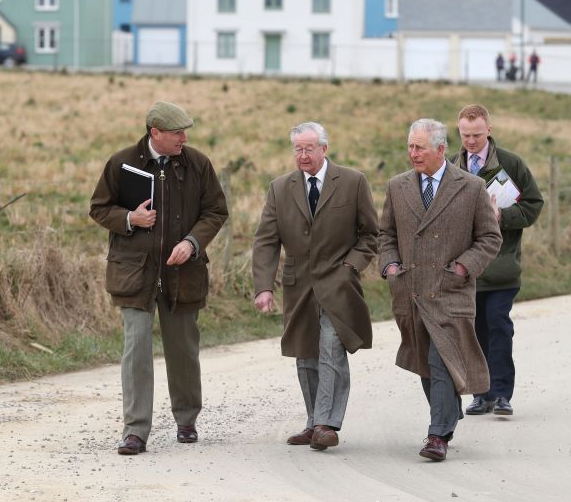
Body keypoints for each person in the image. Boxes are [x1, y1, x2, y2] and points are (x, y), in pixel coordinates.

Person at [89, 101, 228, 455]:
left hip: (184, 272)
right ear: (155, 133)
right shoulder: (121, 163)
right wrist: (130, 219)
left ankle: (186, 420)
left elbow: (216, 211)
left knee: (182, 349)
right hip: (134, 273)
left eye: (186, 132)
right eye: (177, 132)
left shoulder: (198, 164)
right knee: (136, 349)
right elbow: (99, 208)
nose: (184, 138)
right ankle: (135, 431)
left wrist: (192, 242)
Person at [378, 119, 501, 462]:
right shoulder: (397, 186)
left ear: (441, 149)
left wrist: (464, 266)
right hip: (412, 291)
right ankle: (447, 413)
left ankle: (438, 435)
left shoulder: (472, 187)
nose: (412, 154)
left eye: (420, 147)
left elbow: (490, 238)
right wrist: (390, 266)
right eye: (410, 147)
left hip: (450, 291)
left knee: (441, 358)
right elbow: (384, 235)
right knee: (426, 365)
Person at [252, 122, 380, 451]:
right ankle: (313, 422)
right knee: (305, 354)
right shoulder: (280, 188)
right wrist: (264, 287)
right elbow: (266, 241)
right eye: (298, 149)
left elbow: (370, 235)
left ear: (325, 148)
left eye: (309, 148)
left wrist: (351, 266)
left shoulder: (352, 182)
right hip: (298, 287)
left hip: (339, 285)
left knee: (331, 349)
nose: (303, 155)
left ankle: (326, 423)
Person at [450, 104, 544, 418]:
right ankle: (481, 394)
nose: (471, 141)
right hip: (468, 269)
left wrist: (502, 216)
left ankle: (502, 394)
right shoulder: (452, 167)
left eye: (477, 135)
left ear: (488, 129)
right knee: (476, 333)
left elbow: (533, 206)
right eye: (465, 135)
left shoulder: (511, 164)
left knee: (498, 326)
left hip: (503, 267)